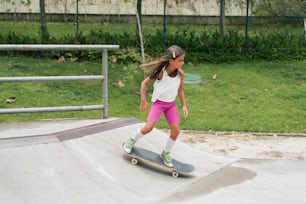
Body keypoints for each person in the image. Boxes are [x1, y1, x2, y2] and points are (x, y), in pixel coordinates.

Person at [123, 45, 188, 168]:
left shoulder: (181, 74)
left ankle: (166, 153)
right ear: (171, 61)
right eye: (180, 60)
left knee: (176, 131)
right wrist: (143, 101)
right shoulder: (160, 73)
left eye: (183, 60)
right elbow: (144, 84)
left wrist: (184, 105)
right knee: (148, 128)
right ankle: (131, 141)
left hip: (171, 105)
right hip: (158, 104)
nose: (182, 63)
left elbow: (180, 90)